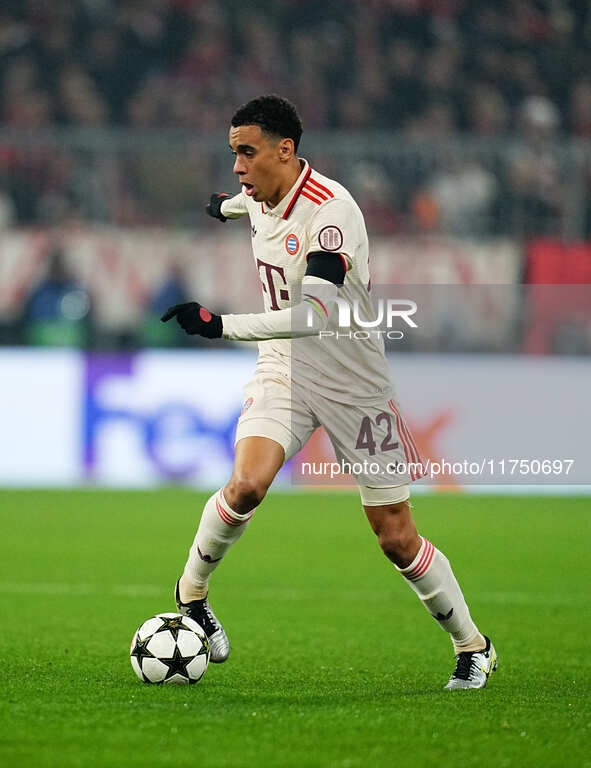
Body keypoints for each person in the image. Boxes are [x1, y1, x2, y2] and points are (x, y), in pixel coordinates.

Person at [161, 95, 497, 690]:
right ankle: (191, 595)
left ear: (284, 151)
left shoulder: (333, 213)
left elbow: (314, 315)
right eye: (232, 154)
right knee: (246, 484)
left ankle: (473, 644)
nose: (237, 167)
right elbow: (248, 205)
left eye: (246, 152)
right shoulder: (262, 195)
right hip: (284, 371)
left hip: (354, 385)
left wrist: (221, 326)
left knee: (395, 536)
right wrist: (223, 208)